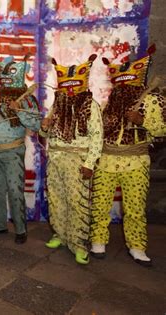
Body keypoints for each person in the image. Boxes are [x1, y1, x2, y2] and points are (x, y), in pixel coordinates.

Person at [90, 45, 165, 266]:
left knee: (135, 208)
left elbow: (162, 129)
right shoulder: (108, 103)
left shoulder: (152, 100)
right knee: (100, 204)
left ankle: (137, 246)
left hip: (136, 161)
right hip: (106, 160)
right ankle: (98, 241)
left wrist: (142, 121)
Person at [41, 54, 103, 265]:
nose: (68, 89)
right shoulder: (56, 105)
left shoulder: (90, 105)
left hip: (78, 160)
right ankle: (60, 234)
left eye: (72, 84)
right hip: (56, 158)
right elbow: (46, 135)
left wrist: (89, 163)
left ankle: (79, 244)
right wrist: (45, 126)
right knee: (57, 199)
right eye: (65, 85)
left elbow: (97, 136)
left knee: (77, 202)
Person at [0, 55, 41, 243]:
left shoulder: (27, 99)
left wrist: (18, 111)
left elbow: (36, 124)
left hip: (13, 151)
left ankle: (21, 229)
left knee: (15, 190)